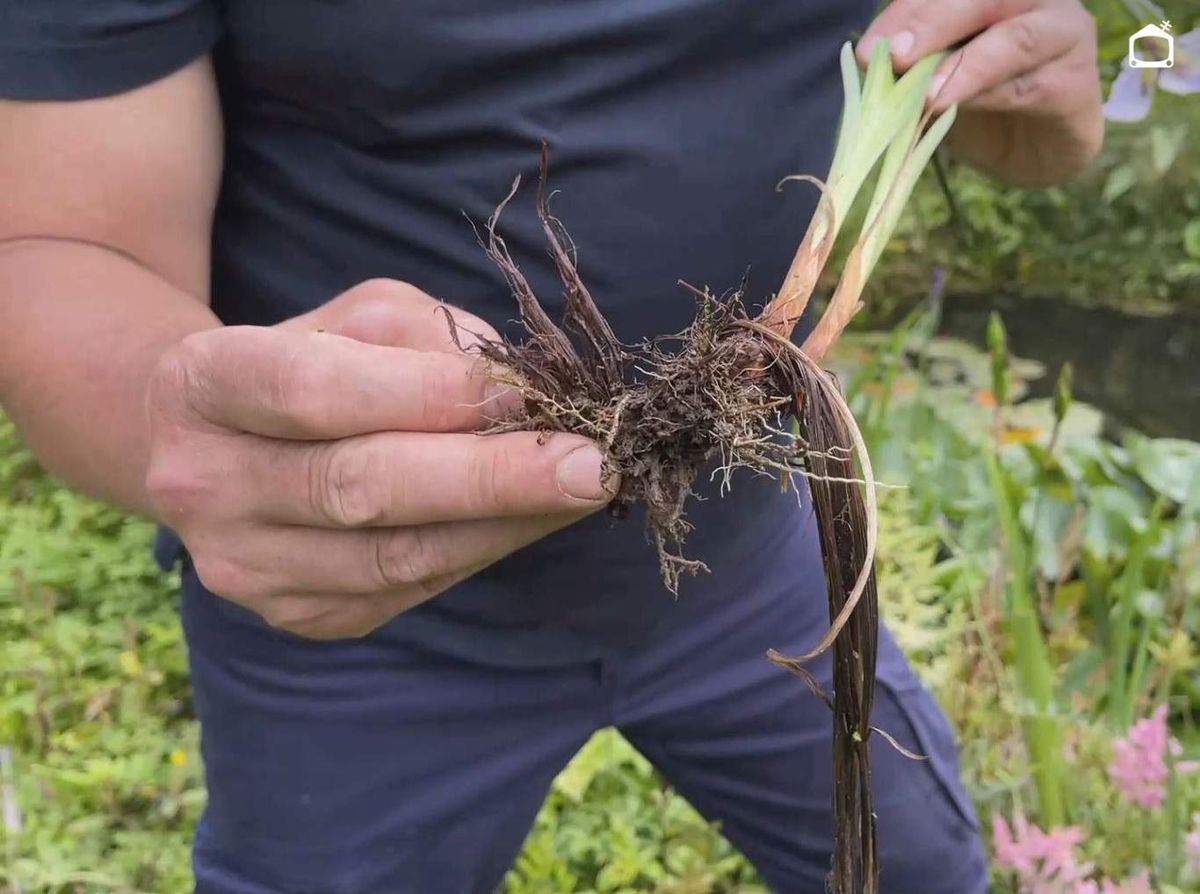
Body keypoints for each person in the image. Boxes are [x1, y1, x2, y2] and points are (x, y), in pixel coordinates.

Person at [0, 0, 1102, 891]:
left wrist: (1050, 100)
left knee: (917, 867)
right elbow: (58, 240)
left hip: (752, 558)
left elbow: (1055, 88)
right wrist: (180, 419)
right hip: (361, 613)